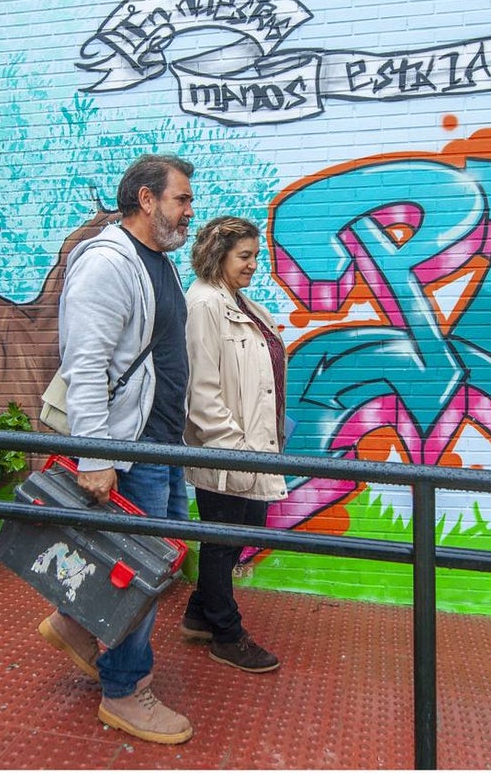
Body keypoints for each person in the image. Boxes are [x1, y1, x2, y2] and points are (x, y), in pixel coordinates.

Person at [37, 153, 196, 745]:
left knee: (154, 560)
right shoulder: (108, 263)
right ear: (147, 199)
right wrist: (96, 456)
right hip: (132, 447)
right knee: (143, 569)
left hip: (165, 442)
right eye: (181, 199)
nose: (189, 211)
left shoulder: (158, 262)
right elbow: (84, 364)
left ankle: (74, 623)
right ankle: (125, 691)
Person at [179, 216, 288, 673]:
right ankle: (226, 633)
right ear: (217, 254)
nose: (253, 265)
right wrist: (234, 447)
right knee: (224, 541)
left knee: (235, 537)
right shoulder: (204, 304)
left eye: (256, 256)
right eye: (245, 256)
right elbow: (201, 389)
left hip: (254, 446)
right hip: (228, 447)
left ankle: (199, 614)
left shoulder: (239, 302)